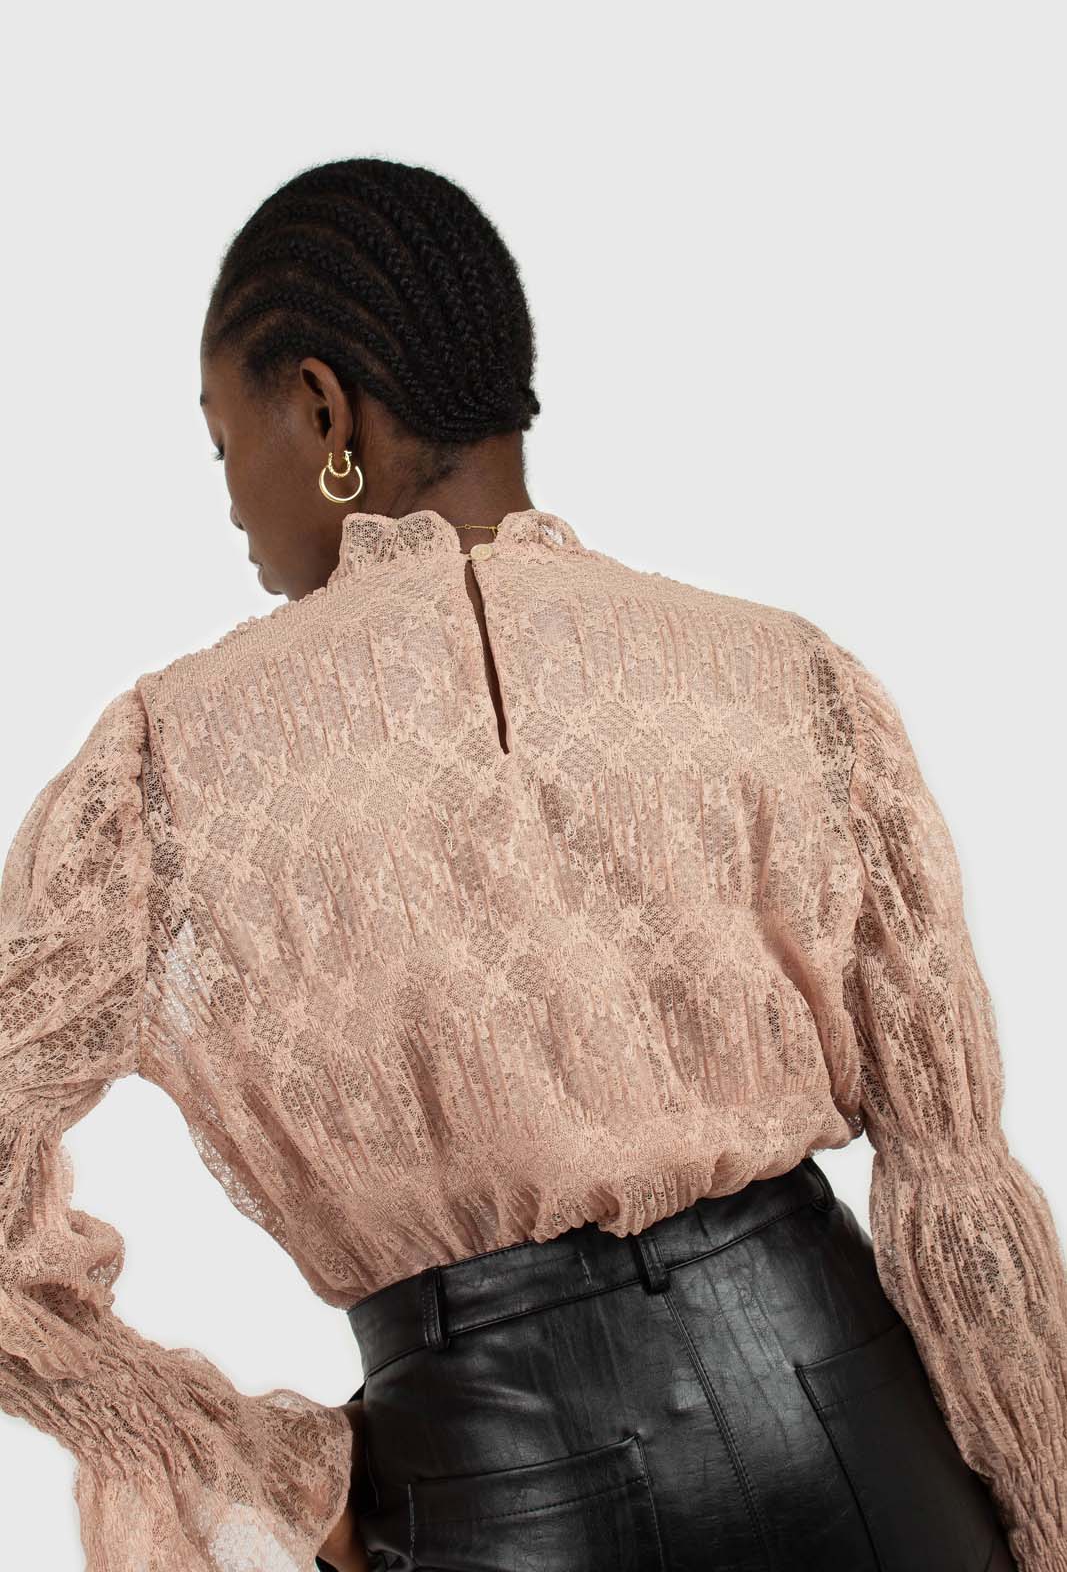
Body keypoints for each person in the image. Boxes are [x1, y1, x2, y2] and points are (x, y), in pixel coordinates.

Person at [1, 157, 1063, 1572]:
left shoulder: (162, 769)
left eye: (220, 444)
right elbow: (955, 1181)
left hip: (499, 1484)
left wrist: (232, 1462)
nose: (233, 504)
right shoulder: (788, 679)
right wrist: (1044, 1514)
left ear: (321, 409)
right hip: (864, 1438)